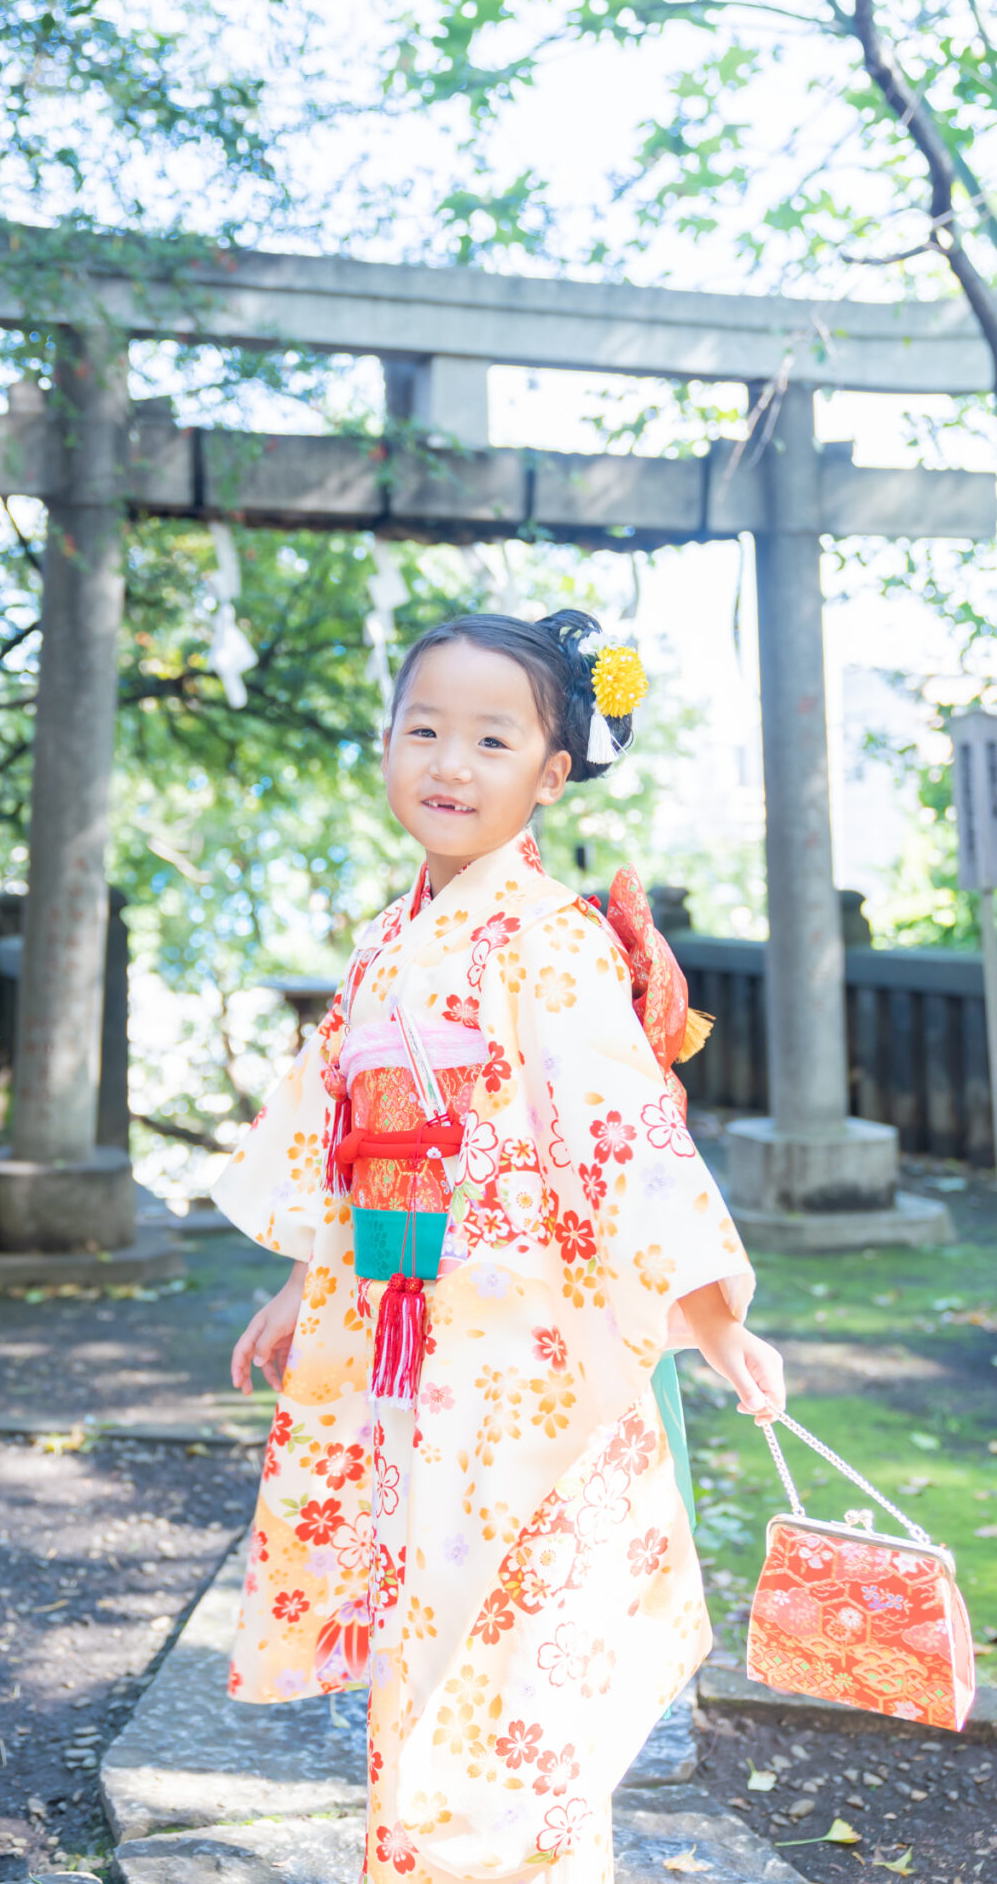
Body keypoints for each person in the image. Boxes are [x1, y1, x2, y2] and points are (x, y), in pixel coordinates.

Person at [215, 609, 786, 1884]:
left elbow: (619, 1139)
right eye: (422, 728)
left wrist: (710, 1315)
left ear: (551, 770)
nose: (448, 763)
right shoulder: (383, 942)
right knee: (425, 1635)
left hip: (527, 1356)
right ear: (386, 745)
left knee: (518, 1645)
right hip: (409, 1347)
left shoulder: (546, 940)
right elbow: (340, 1130)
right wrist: (304, 1282)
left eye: (490, 737)